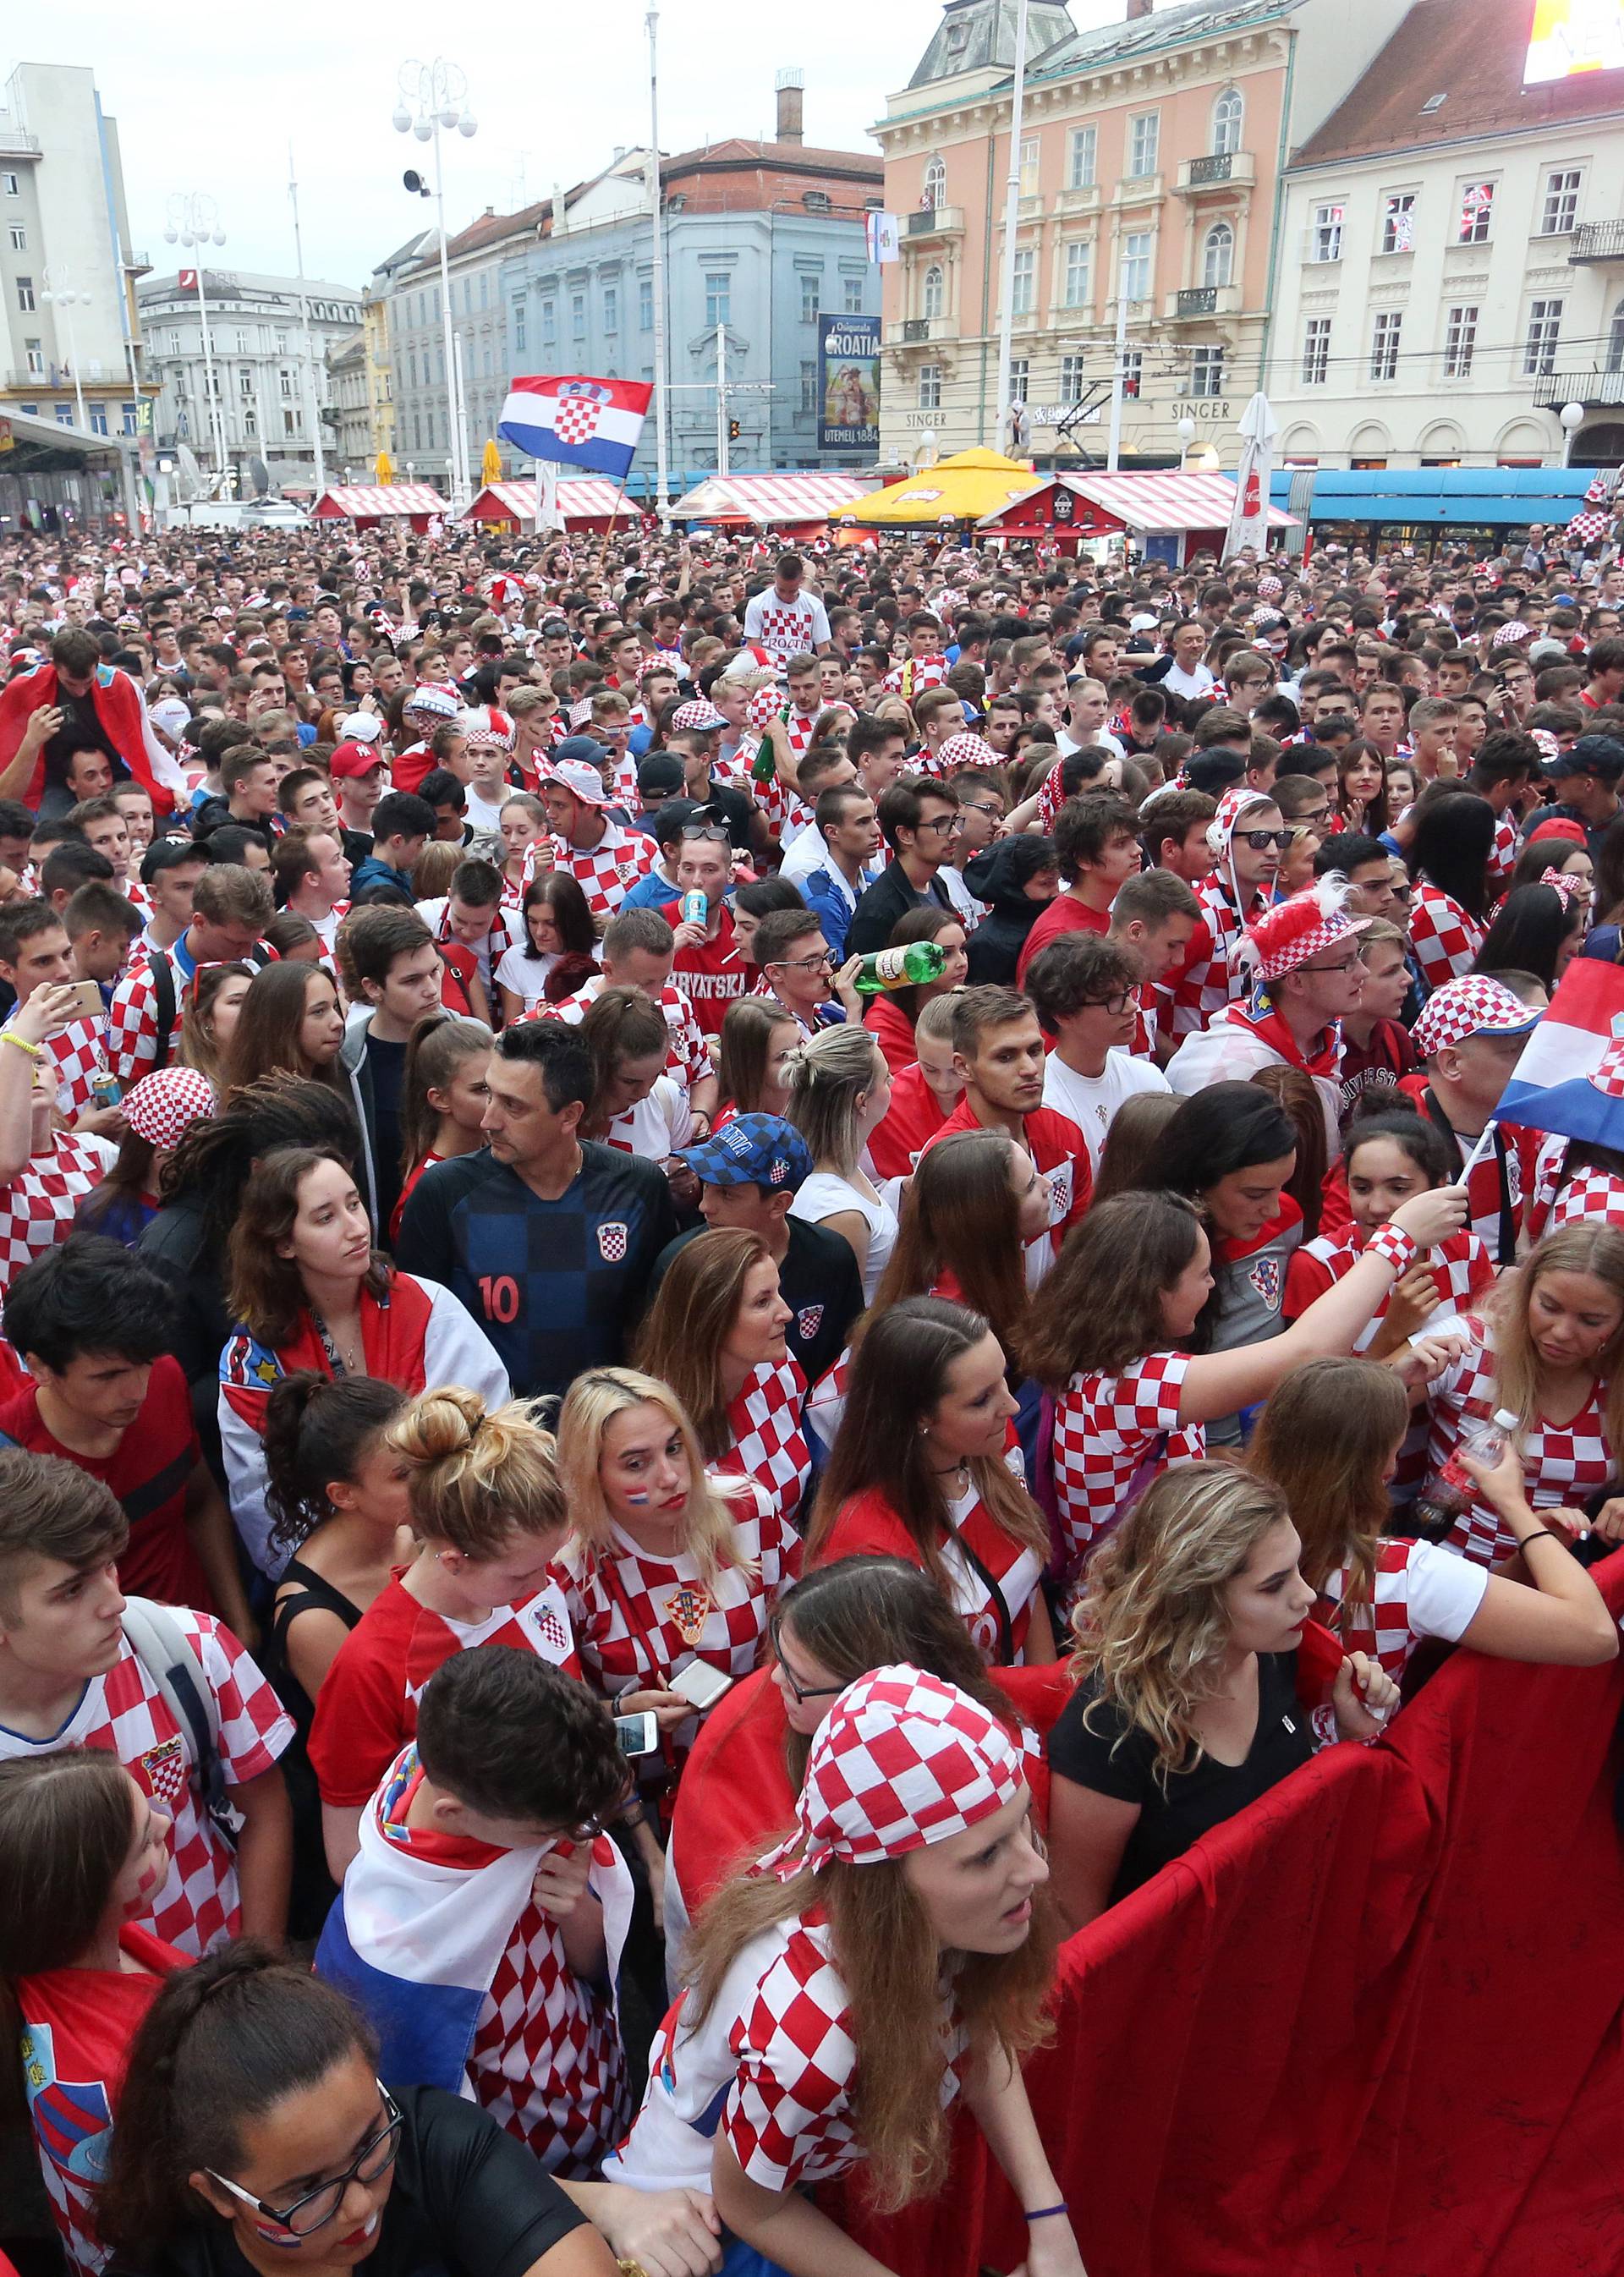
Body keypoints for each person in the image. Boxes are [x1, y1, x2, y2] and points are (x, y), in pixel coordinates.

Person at [606, 1665, 1081, 2277]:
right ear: (884, 1888)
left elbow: (976, 2028)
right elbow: (753, 2207)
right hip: (703, 2209)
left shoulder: (944, 1911)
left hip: (801, 2159)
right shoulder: (811, 2041)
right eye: (987, 1853)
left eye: (1022, 1824)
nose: (1035, 1871)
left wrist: (1049, 2220)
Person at [1020, 1177, 1468, 1586]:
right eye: (1202, 1274)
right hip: (1139, 1616)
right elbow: (1304, 1351)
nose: (1213, 1285)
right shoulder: (1127, 1385)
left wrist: (1383, 1377)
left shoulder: (1102, 1365)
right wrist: (1398, 1239)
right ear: (1155, 1289)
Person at [92, 1946, 617, 2277]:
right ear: (217, 2194)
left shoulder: (433, 2139)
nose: (361, 2206)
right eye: (306, 2190)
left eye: (369, 2143)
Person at [315, 1645, 636, 2175]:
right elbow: (437, 2137)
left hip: (608, 2095)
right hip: (534, 2170)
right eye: (547, 1833)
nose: (571, 1839)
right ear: (454, 1814)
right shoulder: (386, 1947)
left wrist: (575, 1908)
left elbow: (599, 1967)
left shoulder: (510, 1786)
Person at [1045, 1463, 1398, 1930]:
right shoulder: (1108, 1728)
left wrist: (1350, 1737)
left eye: (1297, 1567)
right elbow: (1074, 1924)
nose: (1307, 1595)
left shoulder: (1277, 1652)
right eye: (1274, 1585)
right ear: (1194, 1598)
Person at [661, 1554, 1035, 1978]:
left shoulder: (978, 1733)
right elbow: (758, 1949)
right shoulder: (736, 1765)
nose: (777, 1682)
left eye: (795, 1676)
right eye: (779, 1662)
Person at [0, 1451, 294, 1956]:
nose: (114, 1599)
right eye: (71, 1591)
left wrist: (252, 1973)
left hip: (210, 1973)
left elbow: (264, 1812)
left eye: (109, 1565)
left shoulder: (186, 1648)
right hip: (70, 2023)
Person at [309, 1385, 580, 1881]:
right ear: (453, 1559)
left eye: (550, 1561)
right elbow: (348, 1856)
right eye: (521, 1574)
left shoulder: (534, 1583)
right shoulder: (371, 1665)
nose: (545, 1585)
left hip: (565, 1883)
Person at [219, 1149, 508, 1576]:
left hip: (457, 1553)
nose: (356, 1228)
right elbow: (263, 1503)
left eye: (354, 1204)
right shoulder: (252, 1361)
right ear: (283, 1243)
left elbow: (491, 1438)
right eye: (325, 1218)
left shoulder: (428, 1307)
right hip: (338, 1575)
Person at [1248, 1358, 1616, 1683]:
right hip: (1367, 1748)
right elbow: (1596, 1635)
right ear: (1383, 1468)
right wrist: (1515, 1507)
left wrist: (1526, 1561)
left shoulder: (1235, 1524)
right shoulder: (1403, 1574)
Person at [396, 1022, 678, 1402]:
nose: (489, 1120)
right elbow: (420, 1340)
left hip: (602, 1436)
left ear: (569, 1115)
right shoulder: (443, 1194)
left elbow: (655, 1328)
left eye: (513, 1106)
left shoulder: (638, 1187)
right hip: (495, 1443)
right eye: (490, 1095)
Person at [554, 1365, 798, 1804]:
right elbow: (561, 1734)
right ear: (592, 1475)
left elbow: (792, 1634)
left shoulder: (747, 1508)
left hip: (756, 1771)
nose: (668, 1477)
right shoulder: (568, 1568)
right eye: (636, 1464)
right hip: (638, 1798)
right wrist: (623, 1716)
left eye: (674, 1448)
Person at [0, 1234, 251, 1634]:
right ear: (40, 1368)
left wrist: (239, 1623)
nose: (138, 1390)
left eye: (144, 1362)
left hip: (206, 1640)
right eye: (108, 1376)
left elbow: (199, 1500)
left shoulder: (167, 1377)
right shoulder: (13, 1463)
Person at [0, 1748, 189, 2277]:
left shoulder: (49, 1955)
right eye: (147, 1841)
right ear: (86, 1899)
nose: (167, 1821)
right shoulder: (117, 2072)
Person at [809, 1298, 1055, 1666]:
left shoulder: (989, 1444)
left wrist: (1052, 1686)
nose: (1012, 1406)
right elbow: (915, 1696)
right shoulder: (868, 1547)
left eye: (1004, 1377)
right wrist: (1053, 1690)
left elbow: (1027, 1595)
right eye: (981, 1400)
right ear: (919, 1417)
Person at [1423, 1223, 1624, 1565]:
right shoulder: (1472, 1345)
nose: (1561, 1332)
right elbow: (1345, 1407)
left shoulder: (1616, 1381)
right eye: (1549, 1306)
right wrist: (1396, 1366)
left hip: (1552, 1586)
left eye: (1591, 1321)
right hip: (1443, 1571)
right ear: (1526, 1290)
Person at [647, 1115, 862, 1396]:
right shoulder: (680, 1261)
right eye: (707, 1185)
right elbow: (659, 1369)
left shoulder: (831, 1258)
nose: (704, 1205)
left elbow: (843, 1362)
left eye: (726, 1194)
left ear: (779, 1204)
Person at [924, 986, 1091, 1281]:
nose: (1030, 1069)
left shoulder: (1065, 1135)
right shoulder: (948, 1161)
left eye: (1035, 1051)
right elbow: (949, 1288)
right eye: (1006, 1057)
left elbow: (1082, 1252)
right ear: (964, 1067)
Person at [105, 863, 274, 1087]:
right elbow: (132, 1094)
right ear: (199, 922)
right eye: (237, 942)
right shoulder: (142, 990)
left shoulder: (264, 956)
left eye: (255, 940)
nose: (247, 953)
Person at [337, 906, 449, 1237]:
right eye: (412, 980)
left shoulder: (472, 1041)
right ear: (373, 988)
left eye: (435, 971)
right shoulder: (345, 1062)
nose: (431, 988)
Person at [1027, 934, 1170, 1172]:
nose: (1132, 1007)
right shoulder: (1047, 1105)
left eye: (1128, 991)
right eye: (1111, 1000)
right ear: (1064, 1015)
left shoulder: (1149, 1079)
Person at [785, 1023, 898, 1303]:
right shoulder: (840, 1214)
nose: (893, 1082)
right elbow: (842, 1320)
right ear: (862, 1102)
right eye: (885, 1078)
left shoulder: (842, 1165)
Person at [74, 1066, 217, 1248]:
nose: (187, 1163)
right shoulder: (106, 1213)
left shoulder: (217, 1203)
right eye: (170, 1155)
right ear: (142, 1149)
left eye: (197, 1150)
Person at [1015, 794, 1142, 983]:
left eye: (1134, 839)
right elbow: (1040, 1010)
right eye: (1120, 844)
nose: (1137, 850)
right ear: (1083, 859)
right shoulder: (1058, 935)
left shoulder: (1104, 911)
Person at [392, 1015, 493, 1243]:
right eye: (481, 1089)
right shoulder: (424, 1192)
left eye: (498, 1084)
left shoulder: (507, 1157)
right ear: (440, 1099)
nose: (496, 1098)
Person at [844, 778, 962, 958]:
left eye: (954, 821)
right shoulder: (878, 913)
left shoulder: (935, 882)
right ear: (905, 835)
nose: (955, 834)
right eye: (940, 824)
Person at [1406, 789, 1495, 993]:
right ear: (1466, 849)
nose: (1495, 845)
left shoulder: (1444, 896)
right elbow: (1463, 994)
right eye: (1488, 840)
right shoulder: (1434, 909)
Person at [860, 905, 968, 1075]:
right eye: (946, 954)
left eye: (962, 949)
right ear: (912, 960)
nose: (961, 962)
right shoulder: (883, 1025)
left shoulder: (964, 1002)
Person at [222, 957, 348, 1099]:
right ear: (280, 1023)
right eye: (318, 1011)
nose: (338, 1022)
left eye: (335, 1007)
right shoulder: (259, 1112)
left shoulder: (349, 1080)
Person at [497, 870, 597, 1022]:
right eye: (532, 921)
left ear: (573, 920)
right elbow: (512, 1030)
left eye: (551, 923)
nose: (539, 932)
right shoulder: (514, 959)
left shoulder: (605, 952)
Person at [713, 998, 801, 1124]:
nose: (801, 1057)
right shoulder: (735, 1128)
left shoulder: (812, 1096)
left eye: (800, 1043)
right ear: (752, 1068)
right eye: (784, 1056)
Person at [175, 962, 252, 1097]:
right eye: (236, 1001)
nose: (251, 1010)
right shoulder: (181, 1090)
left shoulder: (272, 1079)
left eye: (255, 1000)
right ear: (204, 1018)